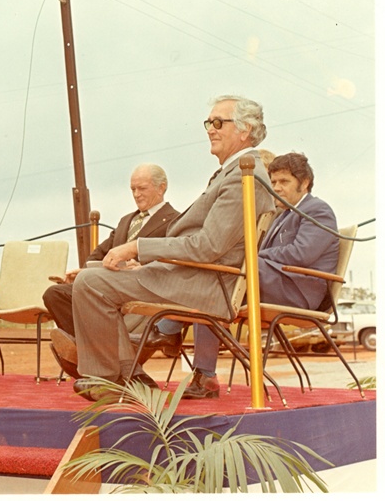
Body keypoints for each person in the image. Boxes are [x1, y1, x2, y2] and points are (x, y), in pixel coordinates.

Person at [56, 95, 274, 401]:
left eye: (217, 122)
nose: (210, 129)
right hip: (193, 274)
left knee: (92, 282)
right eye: (208, 122)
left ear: (245, 130)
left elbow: (208, 246)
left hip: (207, 283)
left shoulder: (243, 175)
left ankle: (109, 377)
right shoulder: (233, 172)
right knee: (95, 271)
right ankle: (130, 375)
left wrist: (137, 248)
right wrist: (145, 263)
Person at [140, 152, 340, 398]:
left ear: (305, 182)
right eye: (273, 182)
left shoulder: (318, 210)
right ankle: (204, 375)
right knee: (213, 283)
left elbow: (301, 254)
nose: (277, 187)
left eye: (284, 182)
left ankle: (167, 329)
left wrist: (250, 260)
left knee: (222, 270)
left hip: (299, 291)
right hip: (277, 280)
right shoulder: (282, 213)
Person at [43, 164, 179, 379]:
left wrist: (143, 266)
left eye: (142, 188)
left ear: (161, 188)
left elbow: (173, 260)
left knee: (94, 296)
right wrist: (84, 271)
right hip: (105, 284)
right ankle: (92, 352)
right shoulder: (127, 221)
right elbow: (99, 253)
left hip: (140, 286)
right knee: (55, 294)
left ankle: (87, 355)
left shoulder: (175, 220)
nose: (136, 194)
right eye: (132, 189)